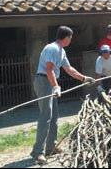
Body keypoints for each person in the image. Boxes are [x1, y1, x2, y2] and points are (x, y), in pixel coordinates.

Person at [31, 26, 95, 165]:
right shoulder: (52, 48)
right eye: (71, 37)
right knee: (46, 116)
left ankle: (50, 147)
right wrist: (55, 86)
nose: (71, 40)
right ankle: (37, 152)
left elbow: (68, 69)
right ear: (66, 37)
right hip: (43, 81)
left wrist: (84, 78)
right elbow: (49, 69)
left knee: (54, 117)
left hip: (50, 82)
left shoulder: (61, 51)